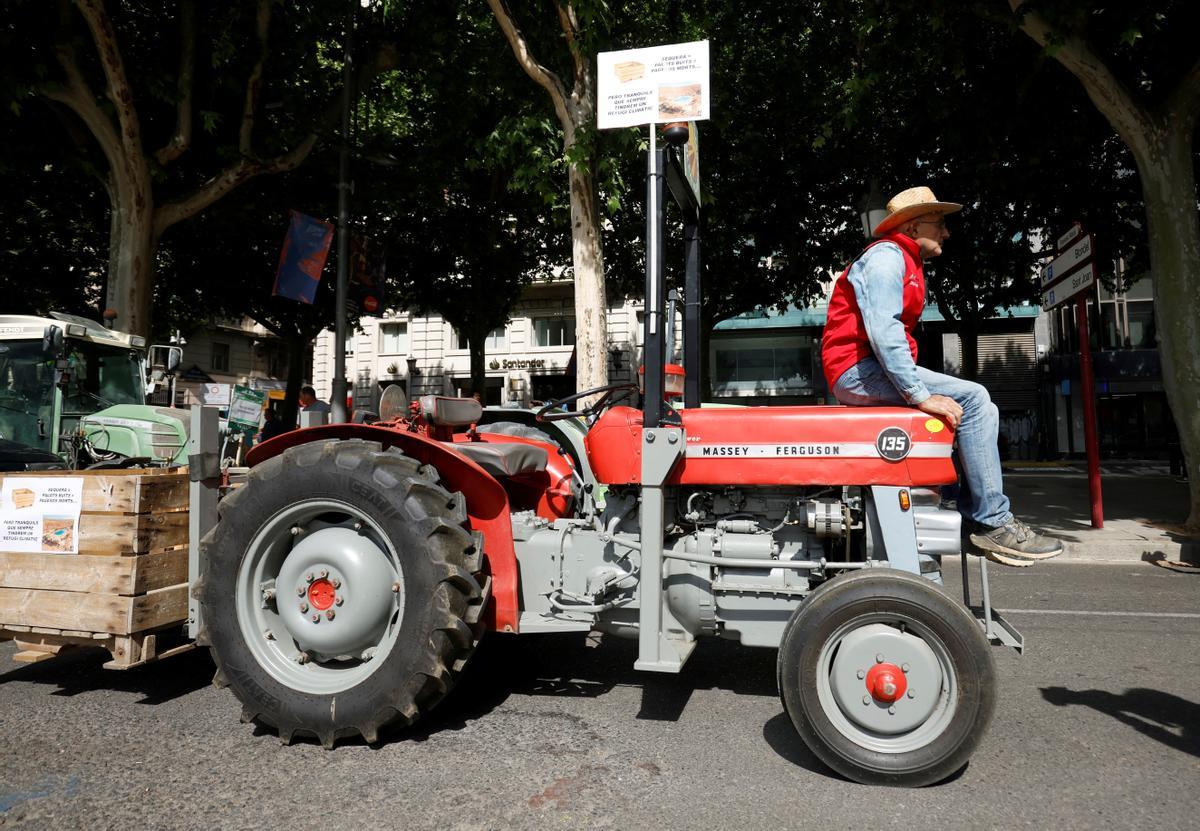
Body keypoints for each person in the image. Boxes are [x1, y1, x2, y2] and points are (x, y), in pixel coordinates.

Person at [822, 185, 1063, 567]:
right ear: (916, 225)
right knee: (975, 400)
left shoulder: (906, 261)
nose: (946, 233)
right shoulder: (887, 257)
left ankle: (970, 514)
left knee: (957, 408)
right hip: (858, 371)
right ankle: (991, 522)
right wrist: (918, 393)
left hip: (864, 369)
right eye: (940, 224)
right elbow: (884, 332)